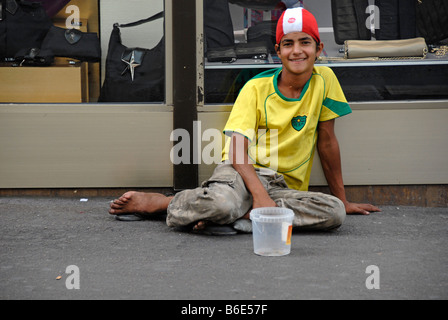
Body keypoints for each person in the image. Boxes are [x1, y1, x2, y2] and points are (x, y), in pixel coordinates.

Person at [108, 7, 380, 234]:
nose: (297, 51)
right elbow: (237, 150)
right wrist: (259, 194)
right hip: (240, 173)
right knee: (223, 204)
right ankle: (166, 203)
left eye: (305, 42)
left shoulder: (325, 81)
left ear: (318, 48)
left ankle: (239, 214)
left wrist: (342, 200)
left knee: (333, 212)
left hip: (283, 187)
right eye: (288, 43)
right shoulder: (256, 88)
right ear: (278, 51)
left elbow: (327, 141)